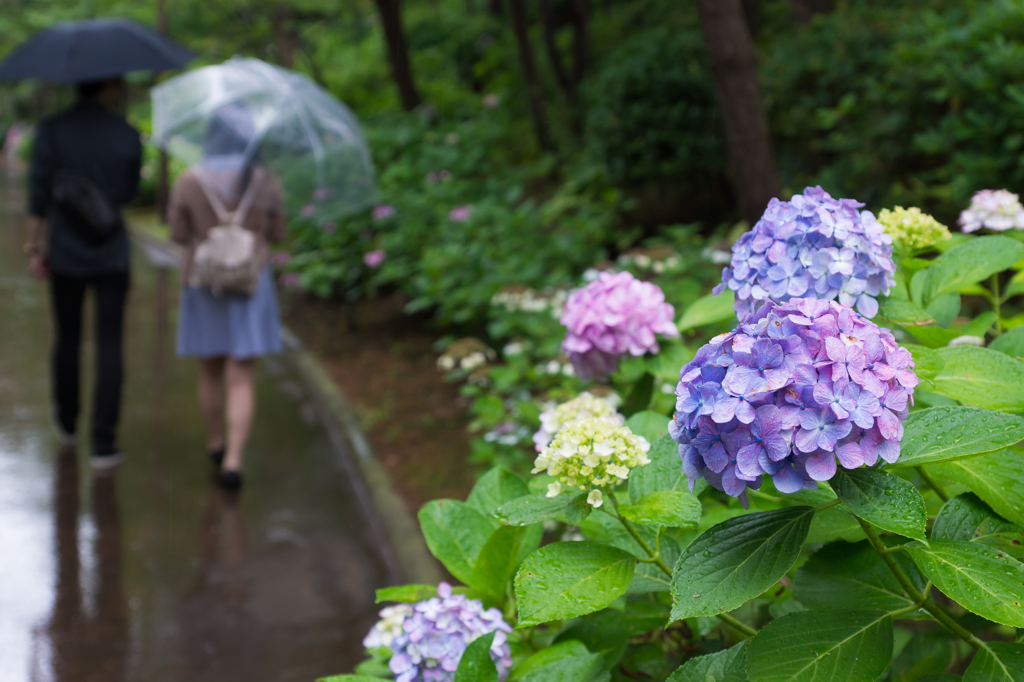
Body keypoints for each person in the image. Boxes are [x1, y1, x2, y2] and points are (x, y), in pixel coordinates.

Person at [26, 77, 142, 469]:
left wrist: (34, 246)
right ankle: (104, 443)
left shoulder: (52, 130)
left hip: (66, 252)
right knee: (110, 343)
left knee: (68, 337)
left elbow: (38, 193)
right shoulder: (125, 133)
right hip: (111, 251)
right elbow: (128, 193)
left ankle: (67, 421)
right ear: (106, 86)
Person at [168, 105, 285, 490]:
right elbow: (278, 232)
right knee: (241, 377)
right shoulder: (265, 180)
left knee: (210, 371)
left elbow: (177, 233)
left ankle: (215, 443)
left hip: (204, 285)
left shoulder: (189, 180)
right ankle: (234, 460)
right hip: (250, 287)